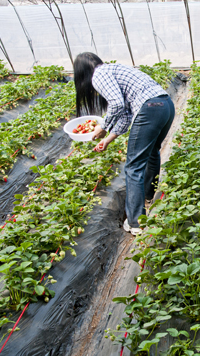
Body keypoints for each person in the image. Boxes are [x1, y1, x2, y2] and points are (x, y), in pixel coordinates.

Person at [74, 52, 175, 236]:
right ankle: (147, 196)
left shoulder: (99, 74)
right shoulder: (114, 70)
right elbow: (126, 114)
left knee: (133, 167)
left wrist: (103, 126)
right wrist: (107, 139)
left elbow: (116, 104)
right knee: (152, 152)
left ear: (81, 72)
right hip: (166, 105)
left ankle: (136, 222)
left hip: (149, 108)